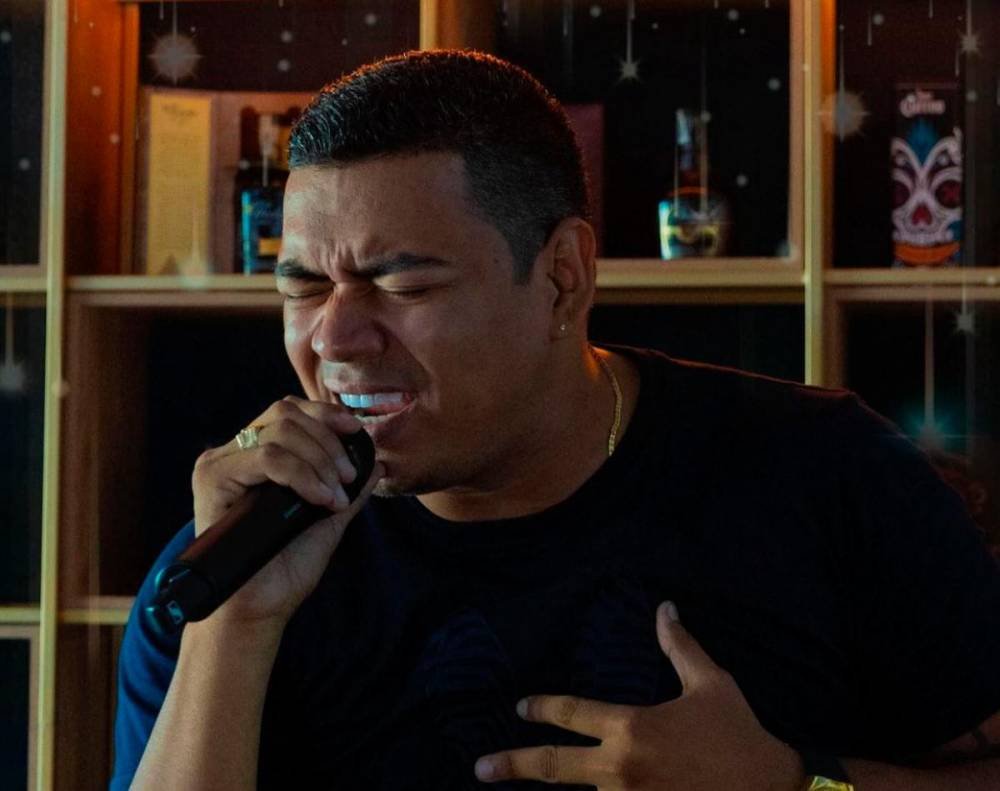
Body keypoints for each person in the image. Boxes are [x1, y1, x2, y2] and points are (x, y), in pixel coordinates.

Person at [112, 50, 1000, 791]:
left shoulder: (827, 473)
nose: (335, 337)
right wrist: (233, 629)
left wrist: (794, 784)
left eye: (403, 283)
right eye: (304, 286)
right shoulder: (232, 564)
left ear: (563, 277)